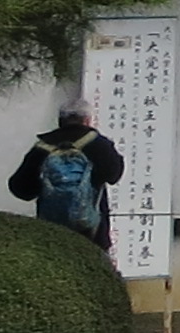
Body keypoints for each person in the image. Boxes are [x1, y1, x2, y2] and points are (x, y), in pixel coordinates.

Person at [8, 104, 124, 253]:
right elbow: (114, 176)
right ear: (87, 120)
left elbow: (20, 189)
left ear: (60, 121)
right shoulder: (99, 144)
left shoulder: (42, 148)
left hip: (52, 232)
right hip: (93, 235)